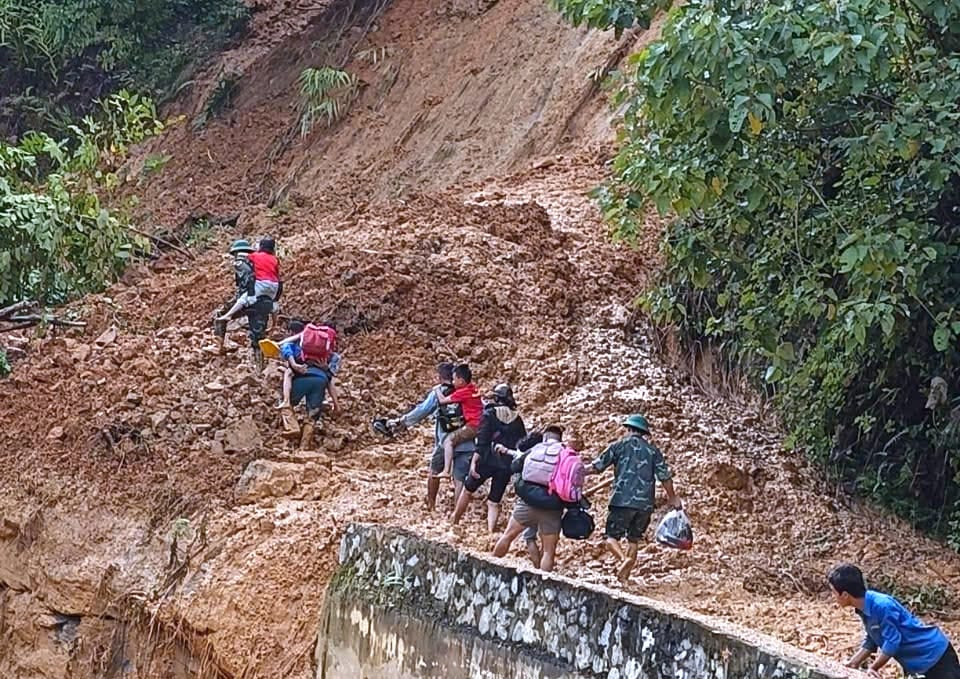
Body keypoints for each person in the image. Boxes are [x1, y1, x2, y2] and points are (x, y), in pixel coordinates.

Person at [585, 414, 681, 583]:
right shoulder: (653, 451)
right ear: (644, 433)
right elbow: (665, 476)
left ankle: (624, 560)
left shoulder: (619, 445)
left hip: (621, 501)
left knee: (610, 537)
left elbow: (596, 467)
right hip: (645, 505)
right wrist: (673, 498)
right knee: (633, 539)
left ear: (628, 429)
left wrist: (574, 470)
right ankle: (624, 578)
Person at [828, 564, 960, 678]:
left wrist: (874, 668)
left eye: (833, 592)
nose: (833, 597)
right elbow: (872, 639)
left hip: (935, 656)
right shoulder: (863, 608)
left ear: (845, 594)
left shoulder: (882, 606)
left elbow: (892, 641)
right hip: (918, 663)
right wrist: (853, 663)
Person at [386, 363, 477, 510]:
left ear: (440, 377)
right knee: (460, 479)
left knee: (434, 472)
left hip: (444, 441)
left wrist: (401, 422)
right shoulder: (468, 391)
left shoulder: (439, 393)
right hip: (467, 443)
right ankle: (457, 514)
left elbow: (422, 411)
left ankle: (431, 506)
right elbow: (482, 410)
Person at [451, 383, 527, 532]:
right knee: (494, 501)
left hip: (486, 460)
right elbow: (522, 443)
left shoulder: (489, 414)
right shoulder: (517, 419)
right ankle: (490, 531)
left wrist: (474, 462)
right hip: (506, 464)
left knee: (468, 489)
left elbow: (482, 441)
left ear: (497, 399)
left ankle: (455, 520)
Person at [492, 425, 567, 572]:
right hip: (552, 506)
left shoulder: (535, 449)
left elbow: (515, 466)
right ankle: (544, 584)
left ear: (545, 437)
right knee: (548, 551)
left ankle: (490, 566)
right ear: (560, 438)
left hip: (527, 502)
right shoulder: (565, 453)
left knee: (508, 536)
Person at [211, 239, 272, 364]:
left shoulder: (239, 262)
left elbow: (247, 280)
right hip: (262, 300)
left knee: (220, 316)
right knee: (258, 336)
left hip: (247, 298)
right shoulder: (257, 263)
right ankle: (260, 366)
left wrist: (247, 295)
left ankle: (218, 346)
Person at [277, 319, 341, 411]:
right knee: (313, 412)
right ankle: (333, 407)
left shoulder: (297, 345)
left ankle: (286, 401)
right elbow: (331, 374)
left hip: (302, 377)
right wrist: (324, 368)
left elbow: (286, 347)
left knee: (288, 375)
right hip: (321, 380)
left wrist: (293, 364)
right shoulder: (330, 355)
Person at [433, 363, 483, 479]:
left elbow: (442, 400)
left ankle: (446, 470)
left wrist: (436, 389)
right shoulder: (473, 388)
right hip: (479, 424)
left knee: (448, 441)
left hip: (472, 425)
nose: (453, 382)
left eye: (454, 379)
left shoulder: (462, 392)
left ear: (461, 381)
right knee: (460, 478)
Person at [217, 237, 282, 322]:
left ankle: (228, 315)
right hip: (274, 286)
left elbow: (245, 257)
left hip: (261, 284)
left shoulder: (256, 256)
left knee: (243, 299)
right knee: (274, 305)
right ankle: (275, 325)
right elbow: (277, 275)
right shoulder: (275, 259)